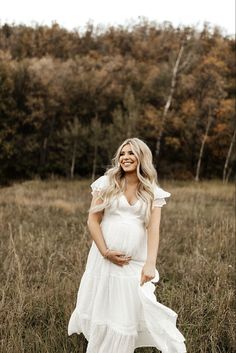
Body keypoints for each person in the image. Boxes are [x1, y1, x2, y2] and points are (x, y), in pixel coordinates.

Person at [68, 137, 186, 353]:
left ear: (142, 157)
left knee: (127, 308)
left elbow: (153, 228)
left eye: (131, 153)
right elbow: (92, 220)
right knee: (104, 303)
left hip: (134, 261)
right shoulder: (106, 183)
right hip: (104, 255)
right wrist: (105, 252)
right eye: (122, 153)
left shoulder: (152, 192)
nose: (125, 157)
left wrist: (151, 264)